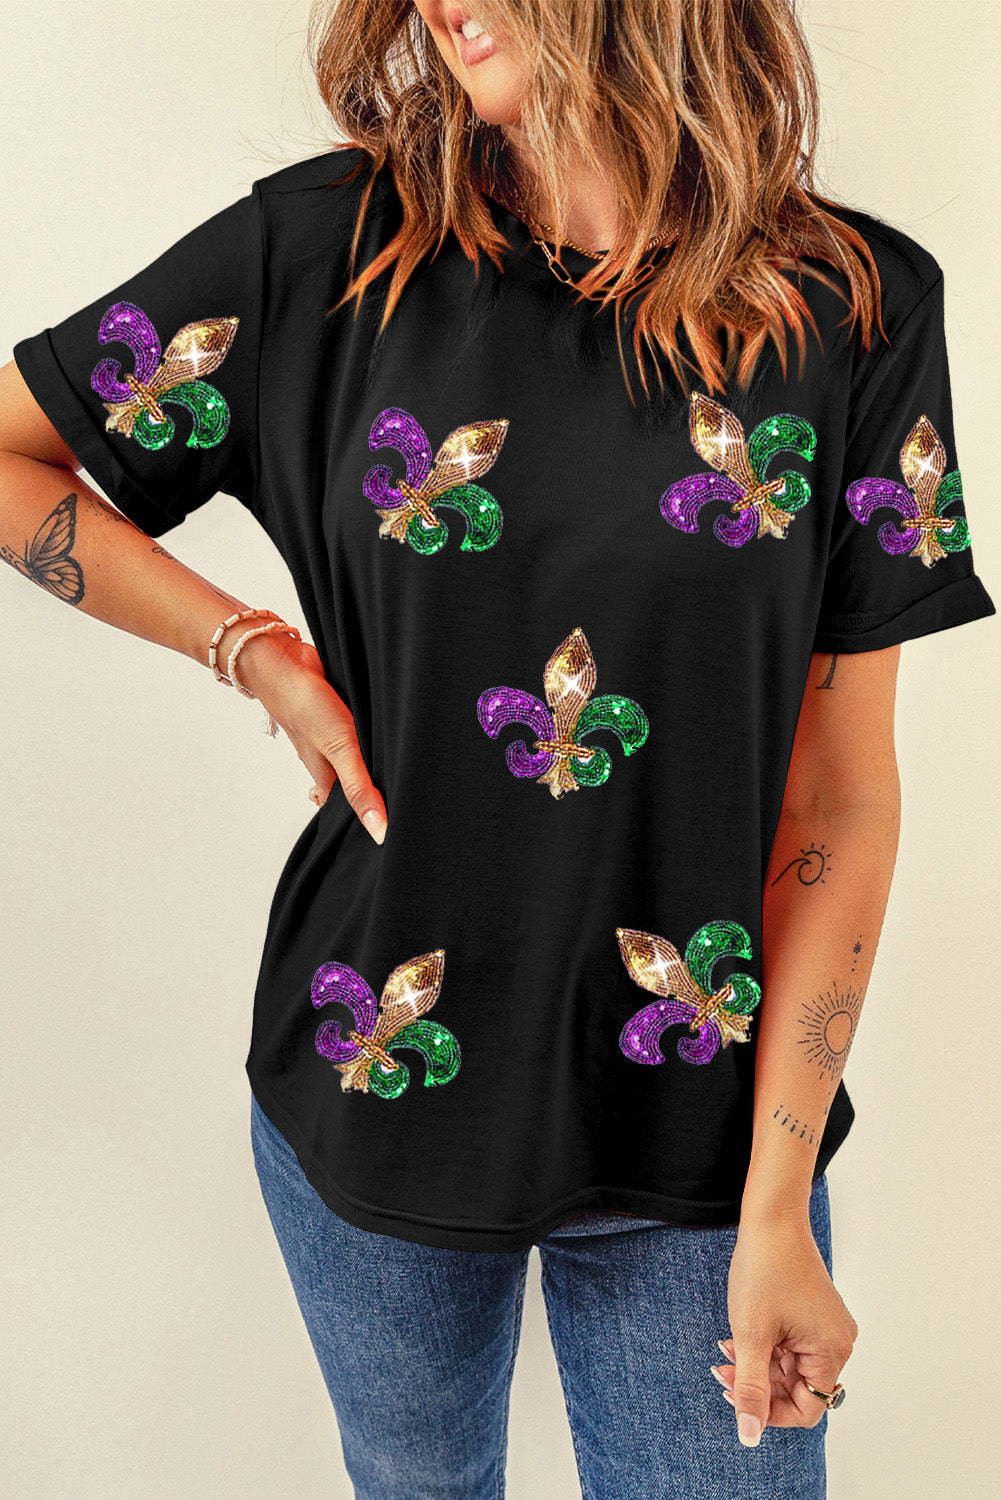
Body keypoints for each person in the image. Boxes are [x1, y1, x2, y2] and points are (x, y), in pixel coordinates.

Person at [1, 2, 995, 1495]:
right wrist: (247, 647)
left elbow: (839, 798)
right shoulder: (325, 254)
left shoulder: (849, 305)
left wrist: (779, 1201)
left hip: (699, 1124)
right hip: (376, 1066)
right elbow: (13, 456)